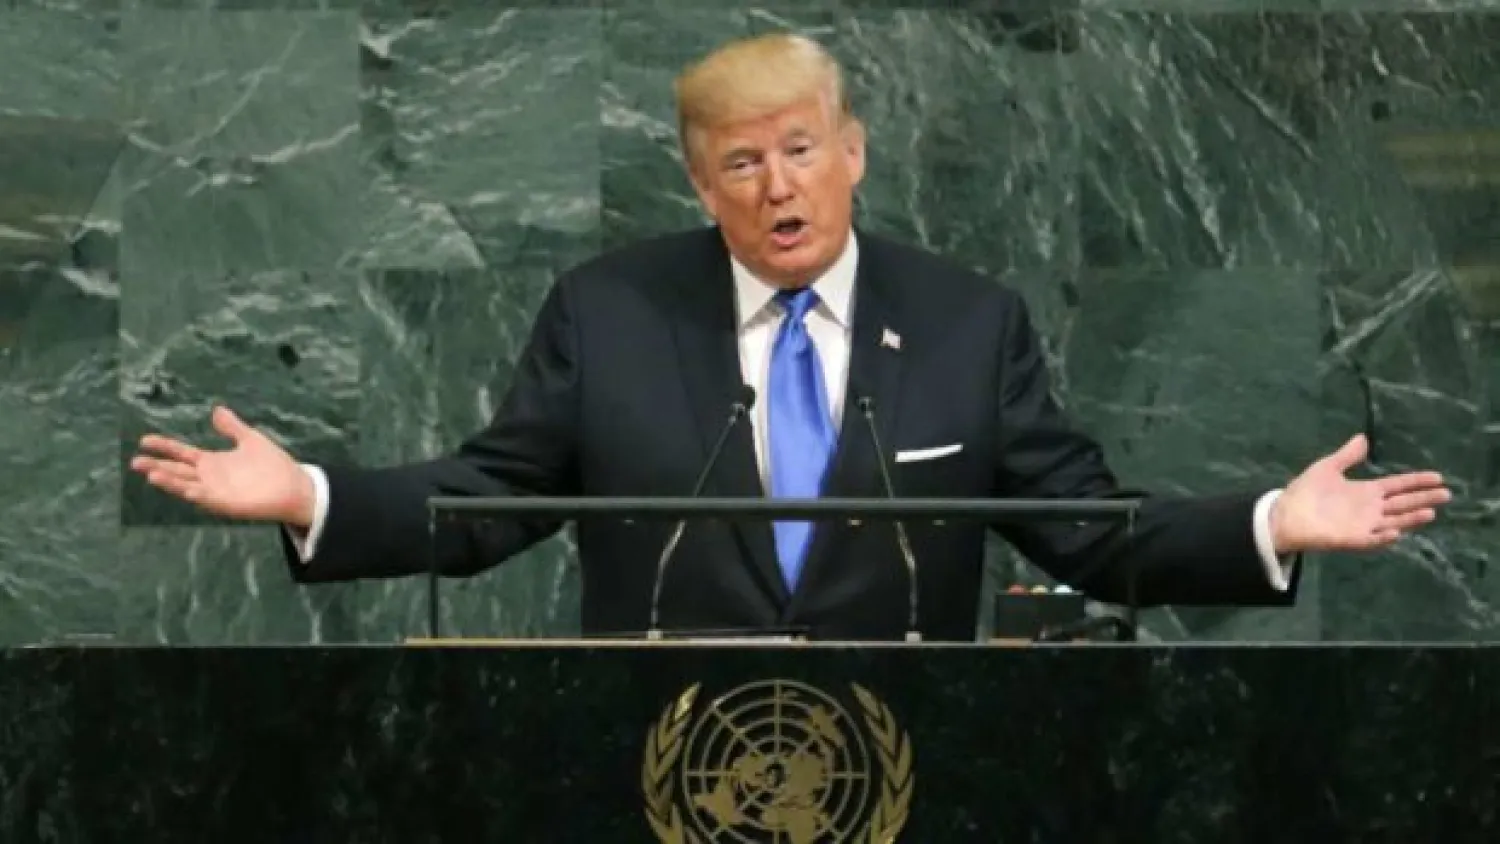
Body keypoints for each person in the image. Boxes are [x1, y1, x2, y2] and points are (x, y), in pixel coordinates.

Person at [130, 33, 1450, 641]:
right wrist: (305, 494)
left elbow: (1084, 530)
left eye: (801, 149)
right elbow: (492, 503)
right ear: (703, 187)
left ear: (854, 154)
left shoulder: (963, 324)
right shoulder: (615, 311)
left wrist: (1274, 522)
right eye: (742, 163)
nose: (777, 186)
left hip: (911, 775)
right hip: (655, 769)